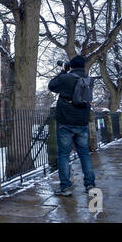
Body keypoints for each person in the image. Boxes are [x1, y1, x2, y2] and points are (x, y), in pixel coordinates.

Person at [48, 55, 96, 196]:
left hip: (65, 122)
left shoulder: (66, 78)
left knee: (63, 154)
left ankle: (65, 187)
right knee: (84, 153)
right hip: (82, 122)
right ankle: (90, 184)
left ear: (72, 66)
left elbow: (51, 85)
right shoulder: (89, 80)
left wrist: (63, 71)